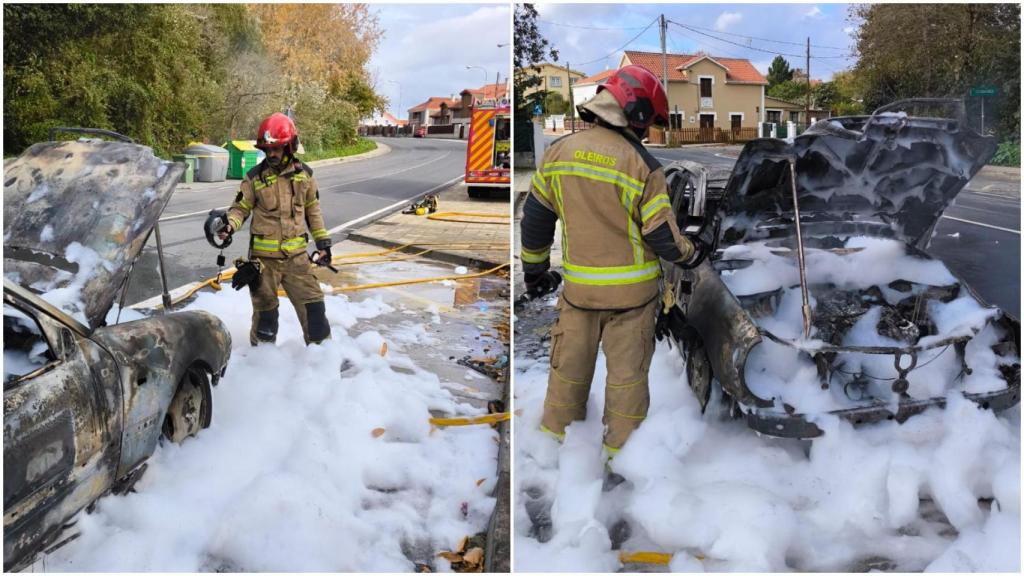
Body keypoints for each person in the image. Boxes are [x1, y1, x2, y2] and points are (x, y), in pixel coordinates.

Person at [519, 64, 710, 456]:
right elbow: (662, 238)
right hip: (632, 302)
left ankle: (552, 448)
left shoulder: (559, 153)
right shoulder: (642, 166)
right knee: (626, 382)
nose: (645, 133)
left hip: (578, 295)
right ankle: (620, 462)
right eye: (647, 124)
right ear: (635, 113)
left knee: (567, 373)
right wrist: (693, 254)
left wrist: (535, 273)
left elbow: (536, 219)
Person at [218, 112, 333, 346]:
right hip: (264, 264)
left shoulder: (306, 176)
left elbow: (313, 212)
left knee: (315, 314)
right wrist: (229, 225)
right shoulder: (254, 178)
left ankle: (323, 364)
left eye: (276, 149)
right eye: (267, 150)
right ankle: (262, 366)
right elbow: (240, 208)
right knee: (265, 321)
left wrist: (323, 245)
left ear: (290, 146)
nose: (271, 154)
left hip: (298, 260)